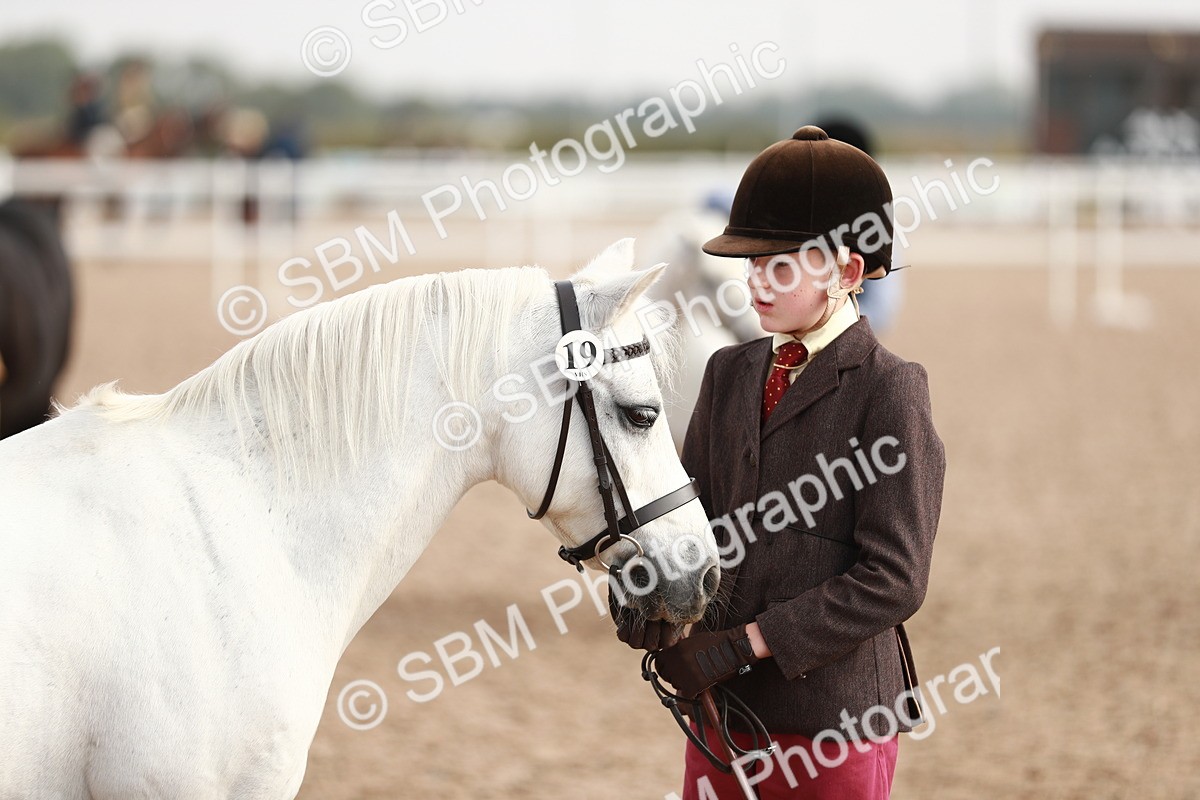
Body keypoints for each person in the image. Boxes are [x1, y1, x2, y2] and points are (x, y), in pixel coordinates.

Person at [610, 126, 946, 798]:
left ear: (848, 272)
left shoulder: (891, 389)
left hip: (836, 720)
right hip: (722, 716)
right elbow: (691, 519)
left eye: (779, 267)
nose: (755, 283)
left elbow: (894, 578)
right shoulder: (727, 372)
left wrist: (748, 643)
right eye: (751, 264)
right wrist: (646, 590)